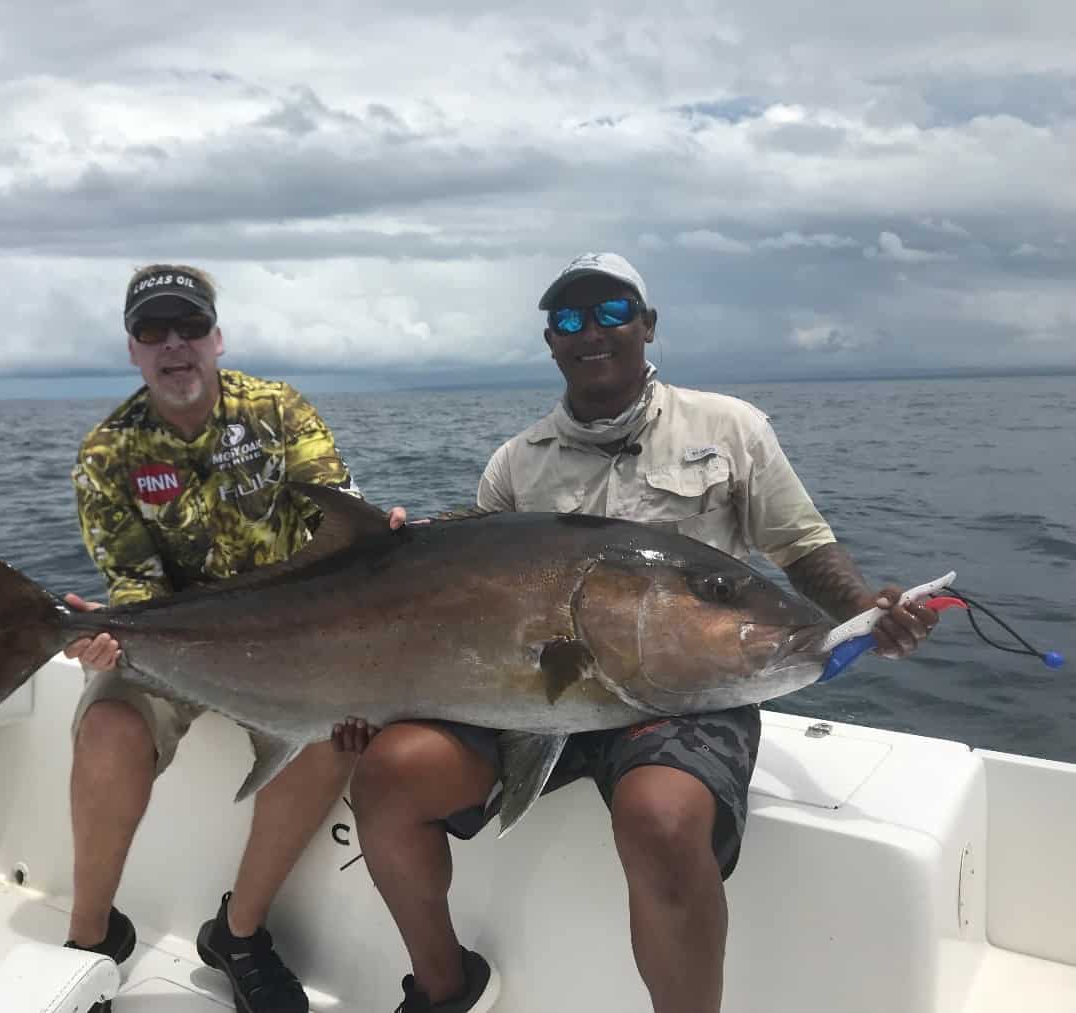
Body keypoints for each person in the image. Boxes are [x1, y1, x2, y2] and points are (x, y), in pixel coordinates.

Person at [346, 252, 941, 1013]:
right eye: (568, 318)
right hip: (532, 694)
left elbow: (800, 546)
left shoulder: (729, 428)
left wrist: (862, 606)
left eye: (612, 311)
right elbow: (459, 600)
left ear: (648, 325)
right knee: (389, 773)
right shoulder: (513, 466)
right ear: (551, 342)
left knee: (661, 818)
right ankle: (443, 986)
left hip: (685, 695)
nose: (591, 330)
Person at [61, 263, 403, 1013]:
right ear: (133, 349)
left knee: (333, 731)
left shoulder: (277, 411)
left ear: (217, 337)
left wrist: (386, 543)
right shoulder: (107, 454)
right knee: (111, 726)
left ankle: (238, 932)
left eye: (190, 326)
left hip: (293, 641)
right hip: (175, 647)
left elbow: (337, 517)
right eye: (154, 330)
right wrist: (109, 639)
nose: (174, 344)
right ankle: (91, 941)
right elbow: (137, 594)